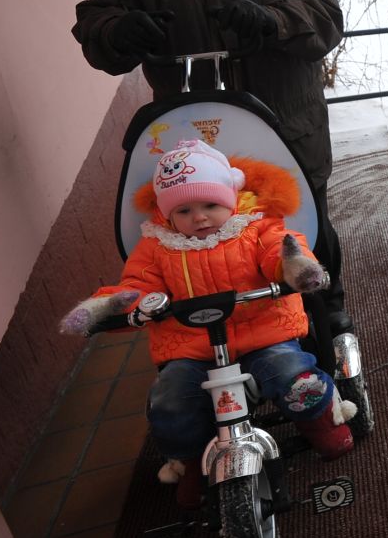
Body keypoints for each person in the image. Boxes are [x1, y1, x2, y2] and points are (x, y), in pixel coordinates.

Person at [72, 0, 351, 338]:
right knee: (197, 242)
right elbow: (97, 27)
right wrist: (119, 32)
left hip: (287, 130)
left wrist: (274, 20)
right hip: (191, 149)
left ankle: (327, 312)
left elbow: (325, 21)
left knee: (305, 230)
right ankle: (219, 333)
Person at [59, 139, 356, 506]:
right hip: (193, 347)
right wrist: (112, 306)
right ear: (167, 214)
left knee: (292, 374)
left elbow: (277, 249)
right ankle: (191, 461)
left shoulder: (254, 228)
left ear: (230, 198)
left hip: (262, 333)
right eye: (183, 210)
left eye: (210, 205)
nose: (198, 217)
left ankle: (320, 422)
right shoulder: (157, 246)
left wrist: (294, 267)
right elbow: (139, 286)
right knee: (169, 402)